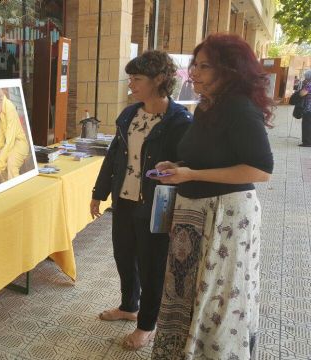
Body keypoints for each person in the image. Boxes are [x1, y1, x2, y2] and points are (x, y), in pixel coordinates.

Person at [150, 34, 273, 359]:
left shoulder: (239, 108)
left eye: (206, 66)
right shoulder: (207, 108)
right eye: (195, 65)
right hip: (194, 216)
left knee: (218, 299)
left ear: (230, 70)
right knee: (187, 294)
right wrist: (177, 166)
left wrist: (192, 175)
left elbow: (260, 171)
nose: (195, 72)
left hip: (226, 221)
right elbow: (208, 157)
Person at [90, 50, 193, 350]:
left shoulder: (178, 122)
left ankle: (146, 324)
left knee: (151, 266)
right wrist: (99, 193)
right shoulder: (129, 115)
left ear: (159, 79)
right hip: (124, 201)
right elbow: (113, 156)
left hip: (155, 207)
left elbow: (184, 169)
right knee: (124, 257)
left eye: (136, 79)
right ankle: (128, 306)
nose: (131, 84)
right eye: (131, 78)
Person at [0, 88, 30, 185]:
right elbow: (0, 140)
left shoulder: (9, 108)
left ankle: (16, 195)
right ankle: (6, 190)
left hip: (20, 143)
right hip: (10, 144)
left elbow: (10, 142)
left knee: (11, 162)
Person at [298, 70, 311, 147]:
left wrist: (301, 91)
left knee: (307, 125)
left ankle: (307, 142)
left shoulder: (309, 84)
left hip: (308, 109)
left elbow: (302, 94)